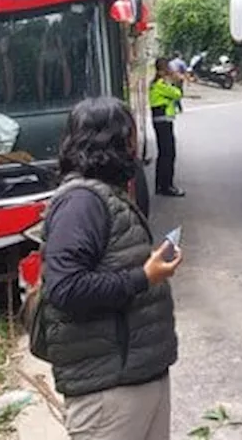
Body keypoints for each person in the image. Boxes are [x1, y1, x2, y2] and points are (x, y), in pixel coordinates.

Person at [39, 96, 182, 440]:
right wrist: (144, 276)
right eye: (130, 133)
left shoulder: (107, 194)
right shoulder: (81, 203)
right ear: (115, 139)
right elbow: (65, 289)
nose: (136, 142)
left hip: (138, 376)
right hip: (109, 391)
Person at [150, 58, 185, 197]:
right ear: (163, 71)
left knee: (163, 154)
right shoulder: (161, 84)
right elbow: (177, 94)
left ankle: (160, 185)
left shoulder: (156, 84)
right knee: (168, 154)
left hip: (160, 122)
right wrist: (176, 80)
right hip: (163, 123)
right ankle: (167, 186)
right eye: (168, 69)